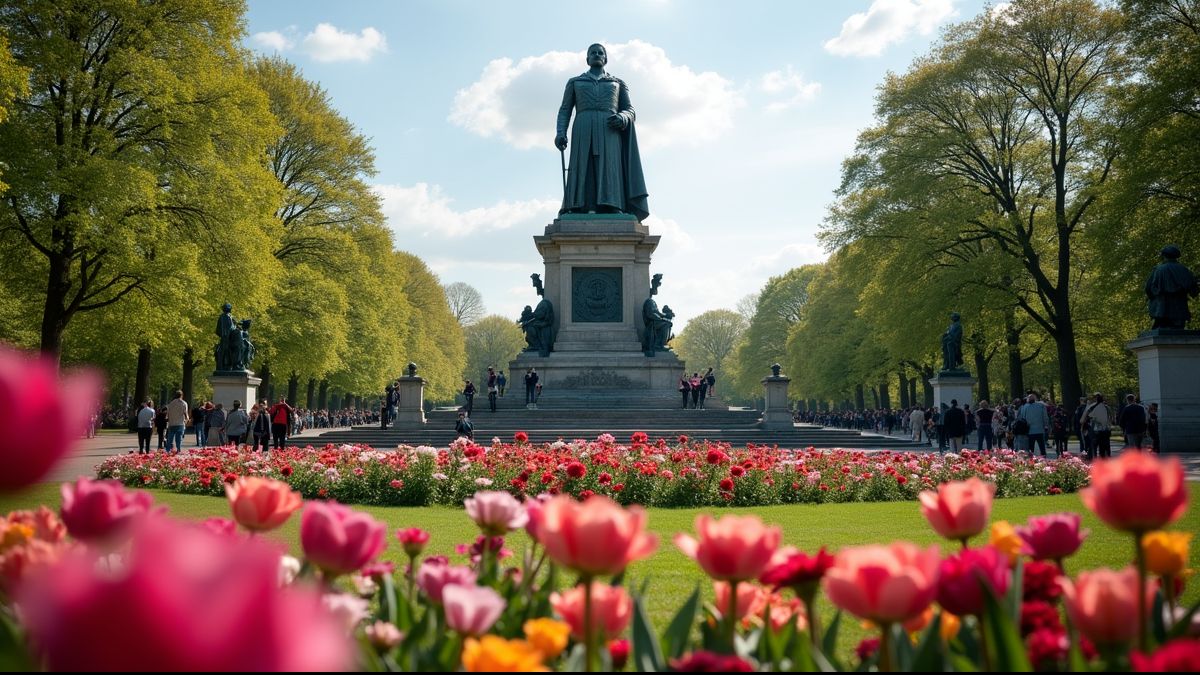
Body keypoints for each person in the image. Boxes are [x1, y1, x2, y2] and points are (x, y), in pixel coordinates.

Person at [555, 43, 649, 221]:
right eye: (593, 53)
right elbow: (565, 110)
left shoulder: (617, 83)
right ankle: (579, 205)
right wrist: (561, 132)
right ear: (587, 59)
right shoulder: (575, 82)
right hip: (583, 127)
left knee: (610, 165)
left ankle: (612, 204)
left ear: (605, 58)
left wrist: (622, 117)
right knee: (583, 164)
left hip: (609, 129)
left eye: (600, 53)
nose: (597, 55)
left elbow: (630, 109)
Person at [1017, 393, 1051, 458]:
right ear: (1035, 399)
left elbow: (1022, 418)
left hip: (1030, 431)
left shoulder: (1025, 407)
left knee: (1031, 448)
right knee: (1042, 447)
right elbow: (1045, 417)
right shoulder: (1041, 406)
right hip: (1040, 430)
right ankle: (1044, 458)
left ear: (1028, 399)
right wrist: (1046, 426)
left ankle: (1031, 460)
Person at [1082, 393, 1112, 460]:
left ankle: (1094, 461)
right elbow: (1111, 418)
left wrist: (1085, 427)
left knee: (1093, 447)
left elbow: (1086, 418)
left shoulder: (1091, 407)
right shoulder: (1106, 407)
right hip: (1105, 430)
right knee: (1104, 447)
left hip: (1094, 430)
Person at [165, 390, 188, 455]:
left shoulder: (170, 404)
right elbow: (185, 413)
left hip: (172, 423)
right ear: (182, 395)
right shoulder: (183, 403)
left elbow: (167, 415)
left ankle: (168, 450)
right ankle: (178, 450)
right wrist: (187, 419)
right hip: (180, 423)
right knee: (178, 439)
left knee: (170, 438)